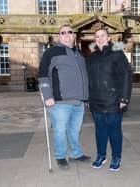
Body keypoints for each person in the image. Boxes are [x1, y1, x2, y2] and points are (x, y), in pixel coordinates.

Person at [38, 25, 90, 170]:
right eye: (63, 32)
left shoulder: (80, 54)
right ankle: (60, 156)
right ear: (59, 36)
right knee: (60, 130)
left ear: (74, 36)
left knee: (75, 130)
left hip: (79, 102)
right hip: (60, 102)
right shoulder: (52, 52)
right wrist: (47, 95)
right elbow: (43, 75)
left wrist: (87, 98)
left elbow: (84, 76)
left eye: (70, 32)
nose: (67, 35)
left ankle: (75, 154)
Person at [86, 28, 132, 171]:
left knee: (114, 130)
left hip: (113, 100)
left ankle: (116, 157)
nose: (100, 39)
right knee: (100, 130)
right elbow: (88, 79)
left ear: (109, 38)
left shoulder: (117, 54)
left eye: (102, 36)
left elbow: (126, 76)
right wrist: (87, 98)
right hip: (96, 101)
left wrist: (124, 98)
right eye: (97, 36)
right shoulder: (91, 58)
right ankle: (101, 156)